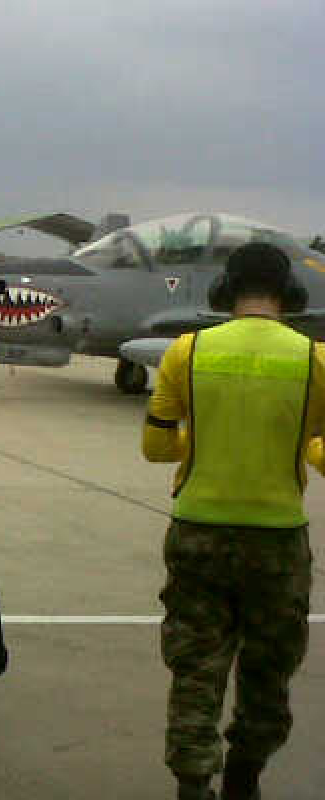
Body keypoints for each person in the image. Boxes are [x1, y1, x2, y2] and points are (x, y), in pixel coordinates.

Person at [142, 242, 323, 800]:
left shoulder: (186, 352)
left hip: (198, 530)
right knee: (268, 672)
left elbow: (155, 447)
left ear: (225, 289)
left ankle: (193, 782)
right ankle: (244, 777)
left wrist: (205, 437)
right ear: (288, 293)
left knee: (196, 670)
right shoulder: (314, 358)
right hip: (277, 539)